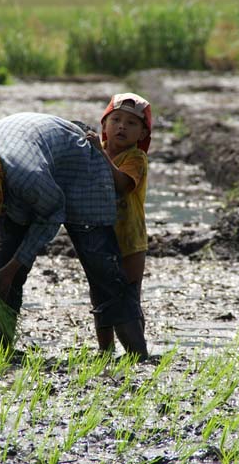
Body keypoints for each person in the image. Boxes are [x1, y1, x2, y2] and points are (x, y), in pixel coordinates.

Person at [0, 112, 148, 359]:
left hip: (80, 168)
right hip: (23, 161)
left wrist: (14, 268)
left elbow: (52, 215)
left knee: (102, 268)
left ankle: (138, 356)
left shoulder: (29, 180)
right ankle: (2, 353)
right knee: (1, 267)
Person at [86, 93, 151, 353]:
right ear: (104, 126)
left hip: (129, 242)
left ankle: (136, 349)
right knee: (100, 296)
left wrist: (101, 154)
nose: (122, 126)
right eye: (116, 120)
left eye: (132, 123)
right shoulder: (91, 153)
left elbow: (122, 184)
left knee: (128, 298)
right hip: (100, 238)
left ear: (142, 134)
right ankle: (105, 350)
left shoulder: (136, 159)